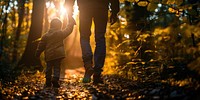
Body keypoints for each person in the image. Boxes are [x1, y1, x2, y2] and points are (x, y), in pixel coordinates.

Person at [65, 0, 120, 84]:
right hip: (102, 7)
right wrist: (114, 11)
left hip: (85, 8)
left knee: (84, 37)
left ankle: (88, 65)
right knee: (100, 38)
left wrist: (69, 13)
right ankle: (97, 73)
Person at [35, 17, 76, 88]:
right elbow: (68, 30)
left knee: (49, 68)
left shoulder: (45, 36)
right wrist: (71, 23)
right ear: (59, 26)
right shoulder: (60, 33)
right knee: (57, 67)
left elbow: (41, 45)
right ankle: (55, 79)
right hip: (58, 54)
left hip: (49, 55)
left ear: (51, 25)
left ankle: (48, 81)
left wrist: (38, 53)